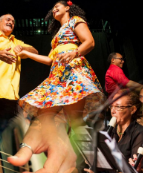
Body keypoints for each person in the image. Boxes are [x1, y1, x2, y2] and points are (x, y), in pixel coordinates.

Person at [7, 1, 104, 173]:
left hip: (72, 72)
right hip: (57, 76)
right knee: (47, 115)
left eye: (57, 6)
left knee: (74, 120)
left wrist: (74, 52)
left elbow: (89, 41)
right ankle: (55, 159)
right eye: (52, 8)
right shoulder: (56, 36)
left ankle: (90, 163)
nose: (54, 9)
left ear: (68, 7)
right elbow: (50, 60)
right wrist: (26, 54)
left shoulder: (75, 20)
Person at [84, 89, 143, 173]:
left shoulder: (139, 133)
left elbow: (132, 169)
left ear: (132, 110)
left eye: (118, 107)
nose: (113, 111)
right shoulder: (108, 131)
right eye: (112, 106)